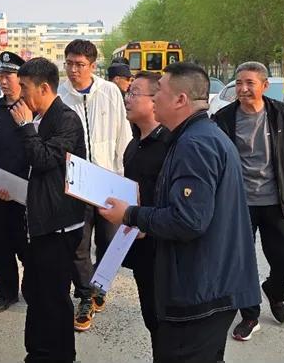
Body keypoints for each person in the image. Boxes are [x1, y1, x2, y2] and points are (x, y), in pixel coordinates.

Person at [100, 62, 259, 363]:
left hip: (202, 291)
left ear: (180, 99)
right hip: (209, 284)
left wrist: (131, 215)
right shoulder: (195, 136)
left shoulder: (195, 144)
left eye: (159, 91)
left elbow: (188, 220)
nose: (154, 98)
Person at [213, 61, 284, 341]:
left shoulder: (279, 113)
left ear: (264, 86)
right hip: (239, 201)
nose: (243, 88)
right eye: (239, 83)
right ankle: (250, 315)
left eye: (249, 83)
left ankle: (274, 290)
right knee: (242, 260)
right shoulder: (224, 118)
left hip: (275, 199)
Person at [2, 57, 87, 363]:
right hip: (36, 221)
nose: (20, 93)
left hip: (58, 225)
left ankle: (61, 356)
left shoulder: (65, 120)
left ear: (44, 88)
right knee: (35, 293)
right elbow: (30, 168)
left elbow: (44, 159)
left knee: (54, 298)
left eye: (24, 87)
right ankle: (37, 353)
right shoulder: (37, 118)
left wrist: (26, 126)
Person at [57, 39, 131, 331]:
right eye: (69, 64)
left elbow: (122, 136)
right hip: (76, 184)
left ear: (93, 65)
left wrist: (123, 178)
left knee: (110, 242)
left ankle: (100, 285)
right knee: (78, 244)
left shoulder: (109, 91)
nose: (73, 70)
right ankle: (86, 296)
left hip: (108, 182)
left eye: (80, 65)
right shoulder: (60, 95)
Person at [119, 71, 170, 358]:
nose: (127, 98)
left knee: (166, 323)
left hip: (164, 250)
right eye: (127, 93)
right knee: (151, 317)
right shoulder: (134, 144)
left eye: (134, 93)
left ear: (155, 101)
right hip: (139, 247)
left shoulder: (171, 146)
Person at [0, 51, 29, 313]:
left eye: (8, 76)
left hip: (25, 192)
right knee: (1, 245)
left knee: (27, 244)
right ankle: (7, 292)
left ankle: (32, 289)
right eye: (1, 75)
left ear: (21, 78)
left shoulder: (31, 109)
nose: (3, 81)